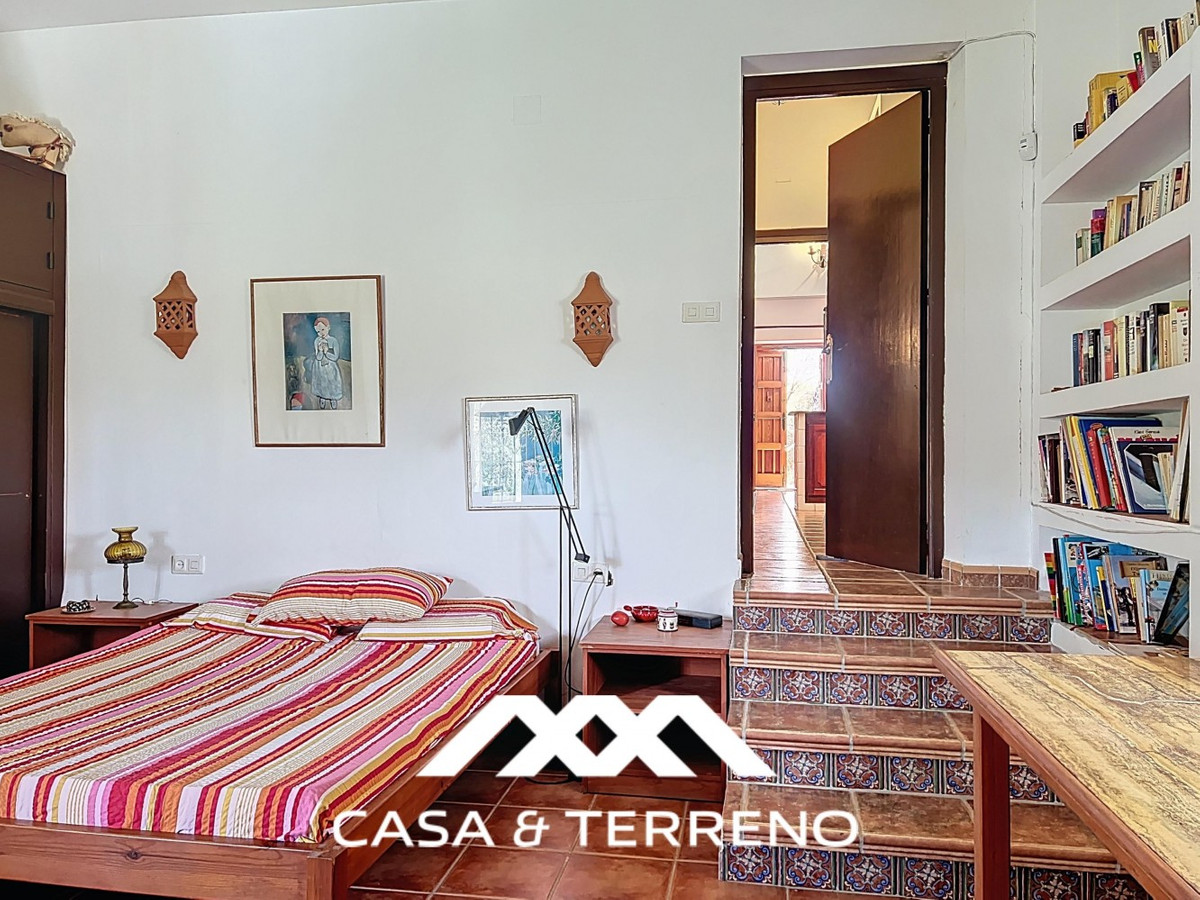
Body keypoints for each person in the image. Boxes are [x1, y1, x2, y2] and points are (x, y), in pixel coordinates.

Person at [309, 316, 344, 410]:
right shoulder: (317, 341)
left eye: (323, 330)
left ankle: (333, 398)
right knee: (321, 381)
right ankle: (322, 397)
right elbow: (318, 357)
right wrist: (320, 351)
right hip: (320, 367)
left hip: (330, 366)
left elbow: (335, 357)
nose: (321, 333)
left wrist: (326, 352)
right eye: (318, 331)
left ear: (328, 327)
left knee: (331, 381)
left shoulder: (333, 341)